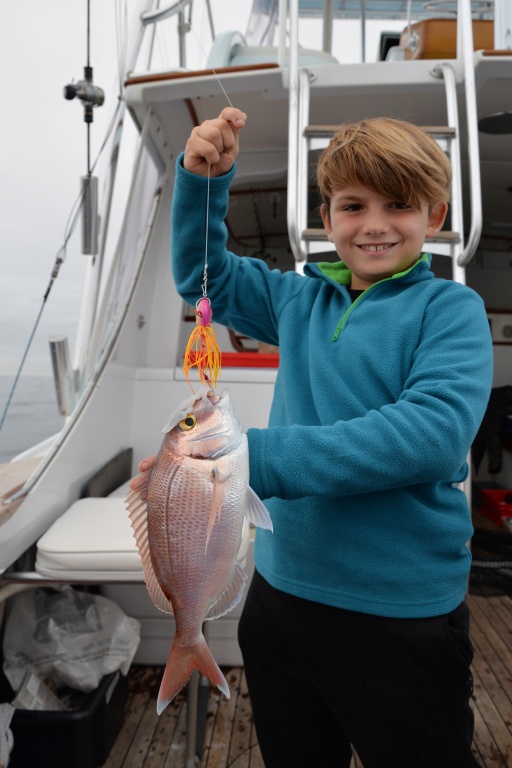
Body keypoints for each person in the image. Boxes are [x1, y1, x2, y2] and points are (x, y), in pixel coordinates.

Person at [131, 107, 493, 767]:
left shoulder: (451, 310)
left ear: (434, 216)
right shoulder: (297, 301)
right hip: (281, 601)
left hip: (402, 618)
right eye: (353, 206)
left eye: (400, 205)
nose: (375, 224)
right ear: (328, 220)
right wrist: (202, 180)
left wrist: (245, 459)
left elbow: (431, 435)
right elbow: (201, 277)